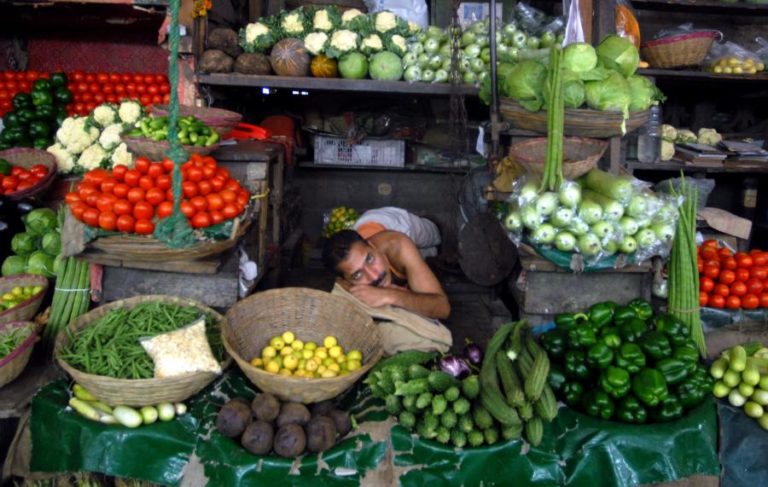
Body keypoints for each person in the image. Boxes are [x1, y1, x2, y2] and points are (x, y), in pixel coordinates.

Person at [322, 229, 451, 320]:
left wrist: (391, 295)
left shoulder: (399, 246)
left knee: (434, 235)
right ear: (345, 280)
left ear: (373, 246)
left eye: (370, 259)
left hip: (400, 223)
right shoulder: (343, 280)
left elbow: (443, 308)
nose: (374, 276)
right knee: (424, 260)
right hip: (364, 233)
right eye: (358, 275)